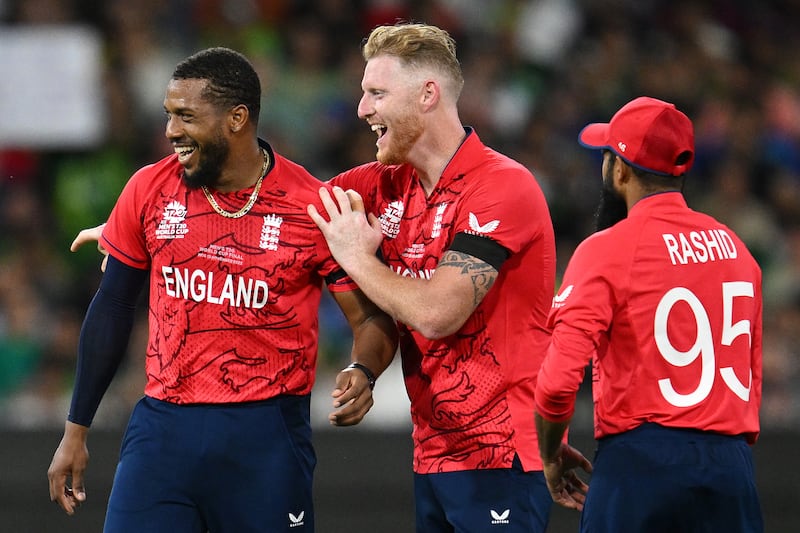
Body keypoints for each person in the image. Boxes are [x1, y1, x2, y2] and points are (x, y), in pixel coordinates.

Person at [47, 47, 398, 533]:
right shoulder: (148, 189)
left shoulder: (312, 207)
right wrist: (75, 430)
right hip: (162, 430)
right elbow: (112, 306)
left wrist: (364, 367)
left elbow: (370, 319)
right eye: (169, 115)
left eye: (186, 117)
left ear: (237, 118)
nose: (171, 131)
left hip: (267, 438)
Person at [308, 23, 562, 532]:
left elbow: (436, 313)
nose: (362, 109)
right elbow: (282, 202)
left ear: (428, 95)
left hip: (501, 456)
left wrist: (358, 259)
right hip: (433, 454)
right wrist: (143, 221)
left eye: (377, 93)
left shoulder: (501, 186)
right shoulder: (382, 186)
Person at [533, 96, 764, 532]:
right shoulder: (738, 251)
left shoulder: (606, 250)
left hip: (641, 465)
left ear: (619, 170)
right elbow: (751, 374)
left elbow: (557, 383)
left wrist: (551, 454)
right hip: (731, 471)